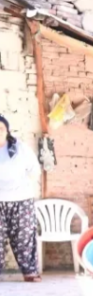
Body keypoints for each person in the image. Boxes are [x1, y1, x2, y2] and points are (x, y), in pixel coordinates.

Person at [0, 116, 41, 282]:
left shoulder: (20, 148)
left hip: (21, 200)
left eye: (0, 128)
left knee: (24, 236)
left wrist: (21, 186)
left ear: (7, 130)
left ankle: (30, 272)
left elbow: (34, 170)